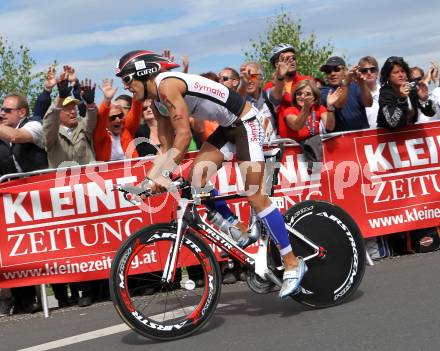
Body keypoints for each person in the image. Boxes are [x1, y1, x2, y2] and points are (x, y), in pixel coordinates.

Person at [115, 50, 307, 298]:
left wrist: (161, 176)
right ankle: (239, 229)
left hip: (245, 122)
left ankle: (292, 262)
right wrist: (149, 180)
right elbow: (165, 148)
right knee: (197, 180)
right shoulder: (156, 102)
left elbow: (183, 137)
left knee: (255, 195)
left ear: (143, 73)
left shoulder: (167, 86)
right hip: (227, 128)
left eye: (127, 79)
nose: (126, 86)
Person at [0, 92, 48, 314]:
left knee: (53, 244)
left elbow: (16, 137)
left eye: (6, 110)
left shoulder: (35, 125)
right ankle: (24, 301)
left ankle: (83, 292)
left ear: (21, 112)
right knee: (15, 250)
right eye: (1, 109)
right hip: (13, 201)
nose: (2, 113)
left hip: (41, 198)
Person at [263, 43, 312, 131]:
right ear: (277, 64)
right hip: (285, 140)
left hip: (310, 134)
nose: (292, 61)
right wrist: (280, 78)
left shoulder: (307, 80)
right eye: (287, 59)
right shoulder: (269, 87)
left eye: (293, 58)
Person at [377, 56, 435, 129]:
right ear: (388, 76)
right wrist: (402, 99)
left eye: (403, 71)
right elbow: (394, 123)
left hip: (411, 134)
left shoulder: (413, 88)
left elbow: (431, 113)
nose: (400, 75)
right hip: (389, 137)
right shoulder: (385, 93)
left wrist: (424, 100)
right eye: (396, 72)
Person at [93, 78, 143, 161]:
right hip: (107, 172)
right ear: (106, 122)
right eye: (112, 117)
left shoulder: (127, 130)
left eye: (120, 116)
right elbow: (101, 118)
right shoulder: (100, 136)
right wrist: (107, 100)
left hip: (132, 171)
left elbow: (136, 110)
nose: (118, 120)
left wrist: (135, 87)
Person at [320, 56, 373, 132]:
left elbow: (368, 104)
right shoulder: (324, 90)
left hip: (362, 139)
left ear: (345, 71)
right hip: (339, 140)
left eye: (336, 69)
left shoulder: (356, 86)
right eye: (328, 71)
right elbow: (338, 104)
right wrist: (346, 83)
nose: (332, 73)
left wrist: (362, 83)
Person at [238, 62, 276, 141]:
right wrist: (243, 85)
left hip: (273, 149)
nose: (249, 81)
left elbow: (279, 91)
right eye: (246, 77)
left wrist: (280, 77)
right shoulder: (241, 101)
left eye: (252, 76)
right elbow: (238, 100)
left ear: (261, 78)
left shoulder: (269, 96)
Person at [358, 56, 380, 128]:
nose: (369, 73)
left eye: (372, 69)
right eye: (364, 70)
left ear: (377, 72)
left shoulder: (386, 91)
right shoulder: (356, 94)